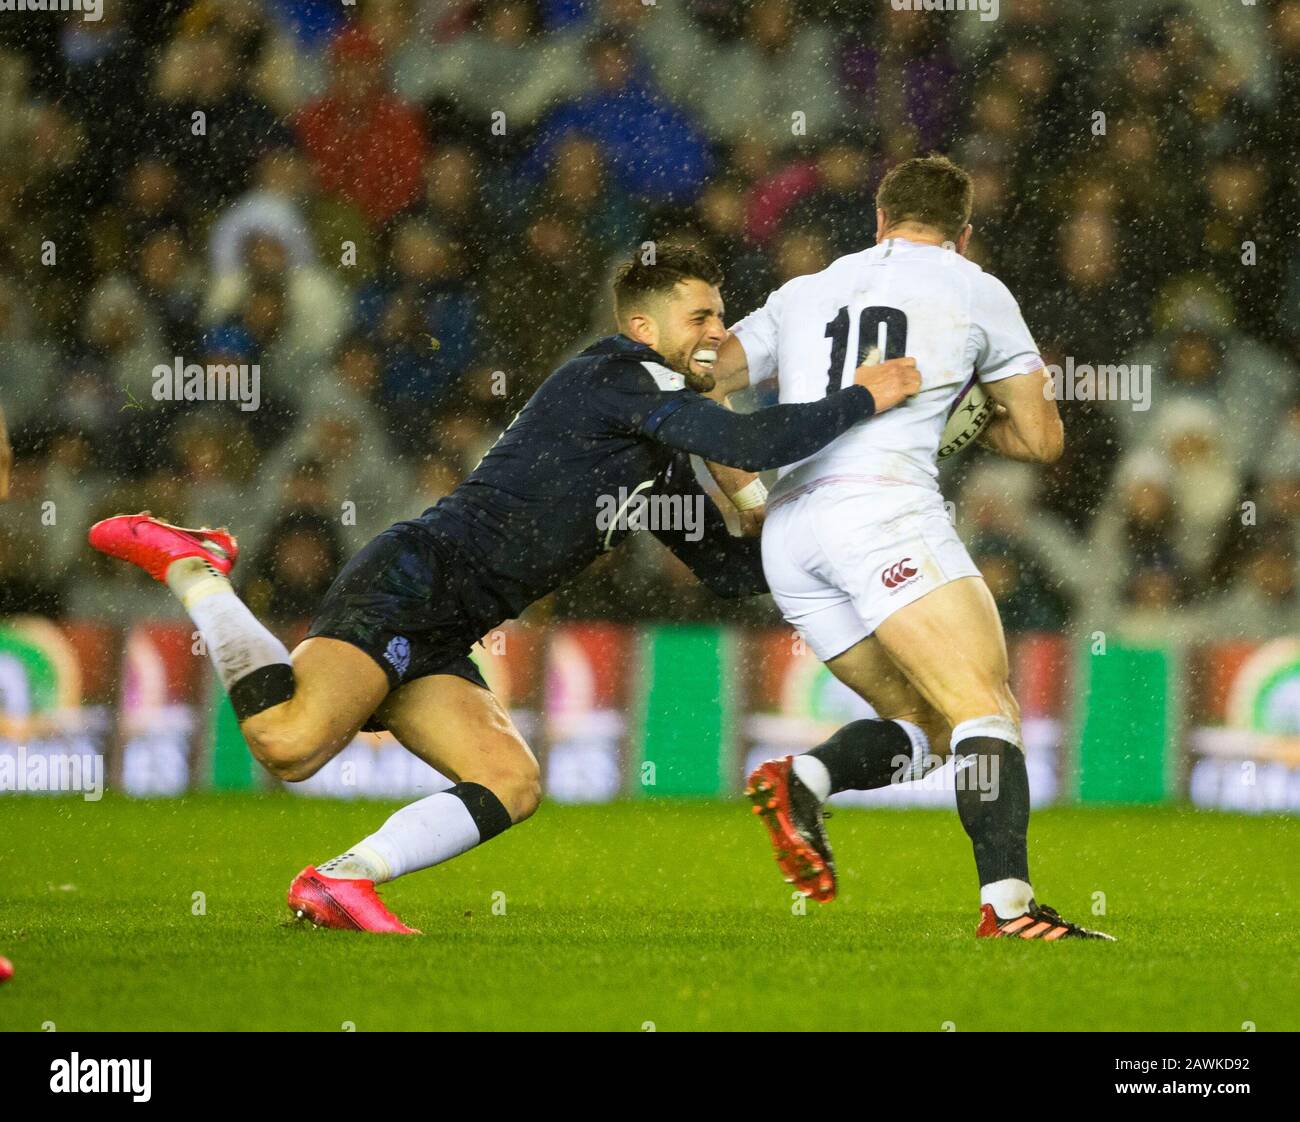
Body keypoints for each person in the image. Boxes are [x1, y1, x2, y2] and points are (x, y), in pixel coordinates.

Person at [89, 244, 920, 934]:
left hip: (454, 623)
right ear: (642, 327)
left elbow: (731, 570)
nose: (718, 334)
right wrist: (864, 396)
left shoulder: (654, 442)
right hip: (417, 579)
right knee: (289, 744)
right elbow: (751, 432)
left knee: (512, 782)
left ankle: (340, 881)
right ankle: (195, 568)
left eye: (720, 316)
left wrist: (805, 533)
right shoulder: (619, 376)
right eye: (700, 317)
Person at [710, 157, 1113, 941]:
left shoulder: (804, 291)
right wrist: (968, 424)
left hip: (792, 535)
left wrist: (746, 494)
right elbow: (1041, 438)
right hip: (883, 512)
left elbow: (703, 380)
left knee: (928, 727)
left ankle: (804, 781)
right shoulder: (975, 289)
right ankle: (1009, 908)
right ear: (963, 234)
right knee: (985, 709)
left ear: (879, 218)